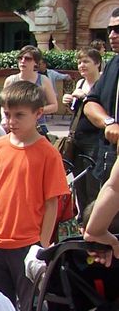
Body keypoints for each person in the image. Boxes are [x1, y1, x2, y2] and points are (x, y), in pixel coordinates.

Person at [0, 80, 70, 311]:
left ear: (38, 113)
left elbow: (52, 203)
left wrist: (42, 245)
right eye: (7, 114)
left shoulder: (48, 154)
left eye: (19, 115)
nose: (11, 121)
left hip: (28, 245)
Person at [80, 8, 119, 185]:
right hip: (107, 155)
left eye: (118, 29)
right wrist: (109, 122)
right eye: (109, 30)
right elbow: (90, 103)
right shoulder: (113, 63)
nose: (112, 35)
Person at [62, 47, 104, 211]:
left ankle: (92, 215)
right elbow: (77, 111)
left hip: (94, 138)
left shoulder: (101, 84)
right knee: (76, 178)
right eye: (79, 62)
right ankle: (81, 215)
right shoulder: (80, 83)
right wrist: (69, 102)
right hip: (77, 137)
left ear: (97, 63)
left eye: (86, 61)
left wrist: (85, 98)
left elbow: (103, 110)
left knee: (92, 180)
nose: (82, 65)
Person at [3, 46, 58, 136]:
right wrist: (4, 119)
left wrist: (34, 111)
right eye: (20, 58)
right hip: (14, 126)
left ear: (35, 62)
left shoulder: (43, 80)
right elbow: (3, 105)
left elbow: (54, 106)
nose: (22, 61)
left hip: (37, 127)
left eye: (27, 59)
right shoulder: (10, 80)